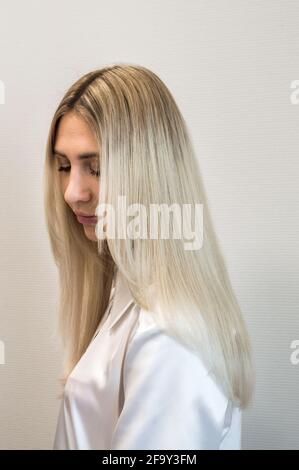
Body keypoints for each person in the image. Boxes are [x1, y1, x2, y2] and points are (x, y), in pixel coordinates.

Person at [43, 63, 254, 450]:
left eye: (97, 168)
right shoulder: (127, 294)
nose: (73, 191)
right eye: (63, 166)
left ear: (149, 170)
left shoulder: (169, 331)